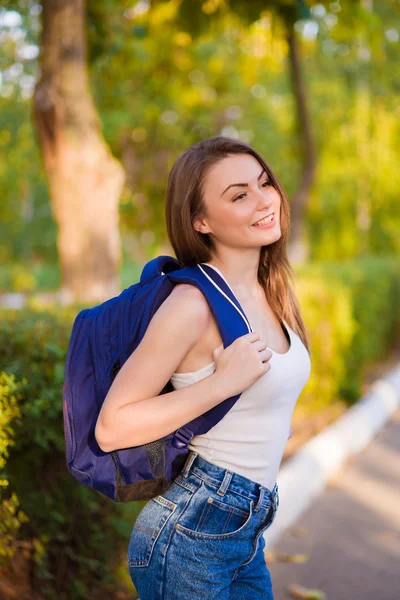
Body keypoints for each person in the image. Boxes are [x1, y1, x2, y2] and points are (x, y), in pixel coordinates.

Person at [95, 136, 312, 599]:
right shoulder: (191, 304)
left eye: (264, 183)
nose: (264, 200)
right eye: (239, 195)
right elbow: (113, 427)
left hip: (244, 530)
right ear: (201, 221)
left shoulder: (269, 290)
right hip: (191, 533)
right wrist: (221, 383)